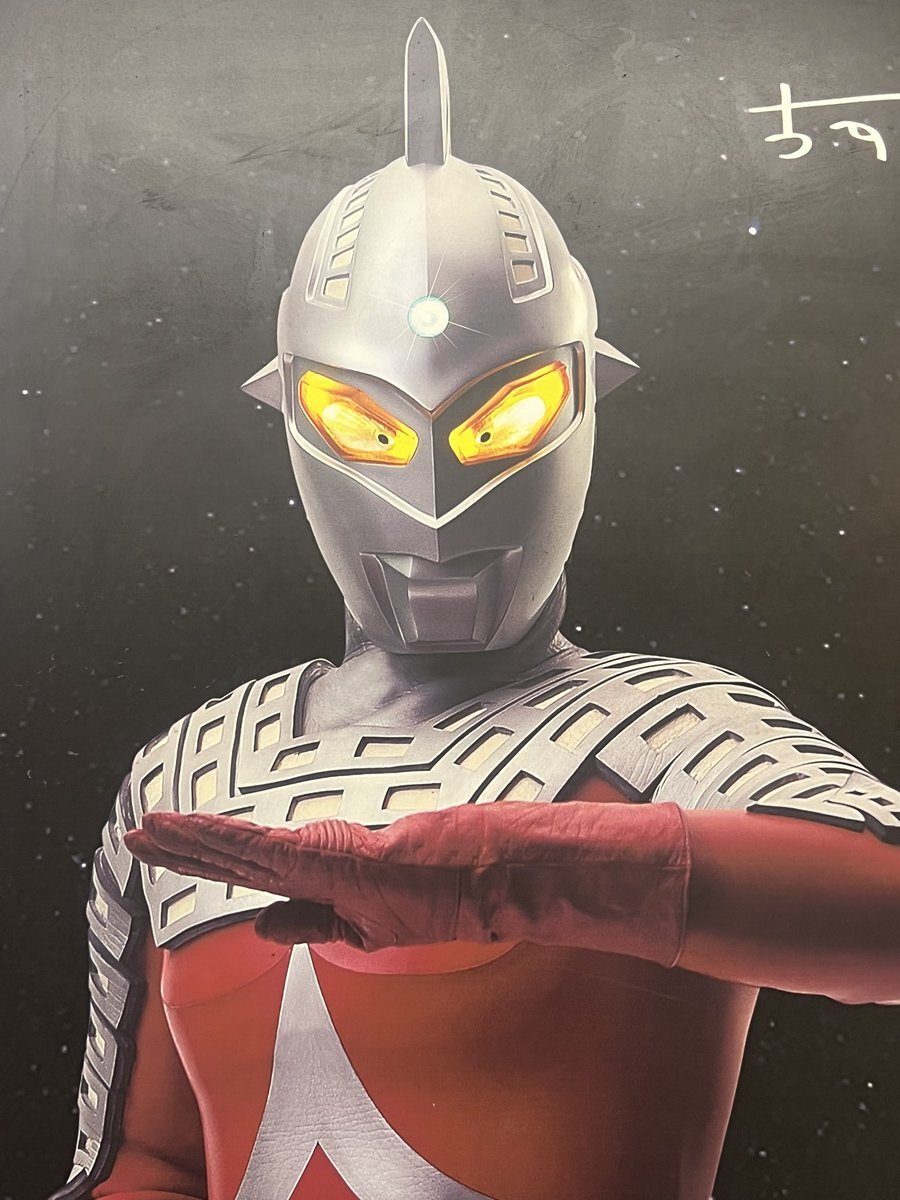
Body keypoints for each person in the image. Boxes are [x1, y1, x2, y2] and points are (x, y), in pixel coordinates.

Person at [54, 19, 900, 1200]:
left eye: (502, 418)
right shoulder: (191, 774)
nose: (438, 495)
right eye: (367, 427)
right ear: (292, 413)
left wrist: (518, 874)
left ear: (584, 397)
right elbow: (145, 1162)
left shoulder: (667, 731)